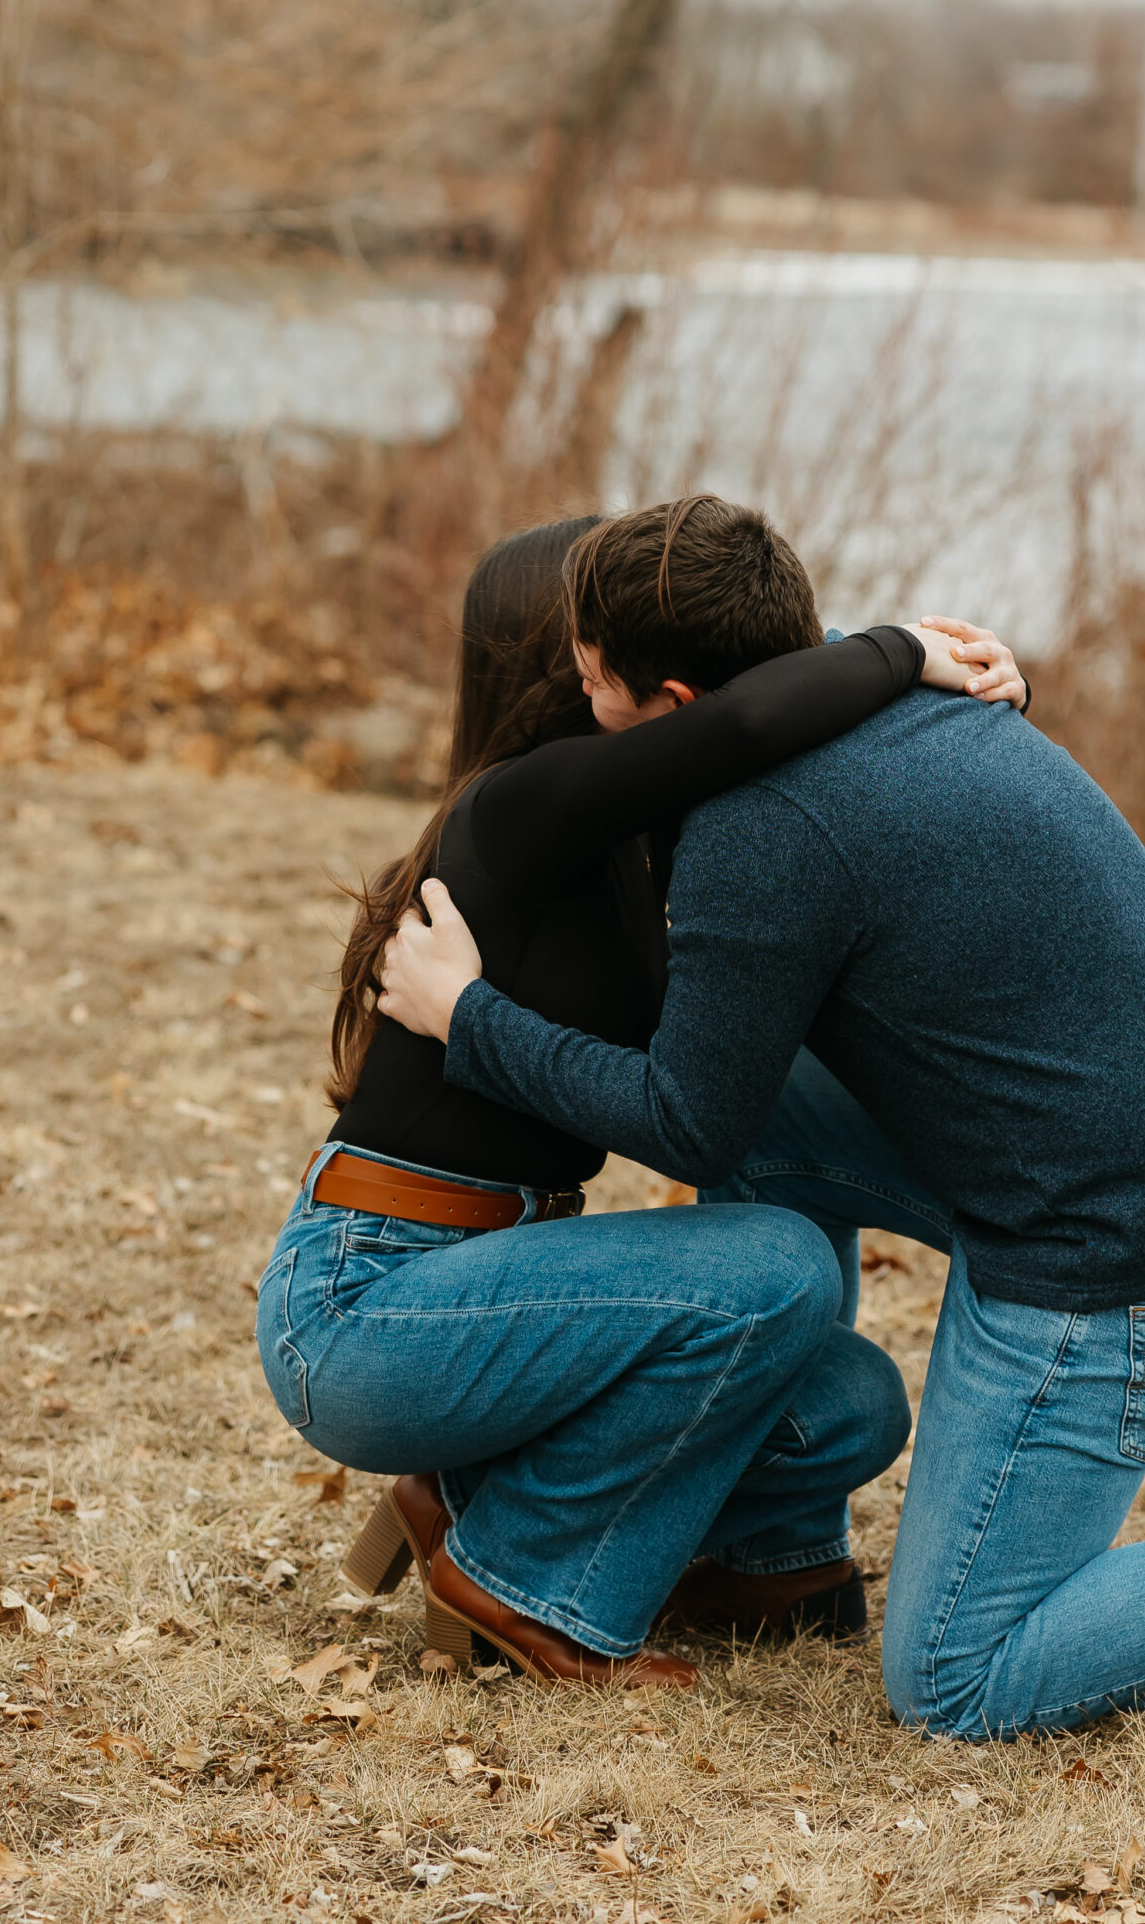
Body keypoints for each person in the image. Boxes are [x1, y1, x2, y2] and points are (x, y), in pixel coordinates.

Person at [379, 496, 1145, 1770]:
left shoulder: (762, 830)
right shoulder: (905, 702)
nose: (580, 701)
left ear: (679, 702)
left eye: (596, 682)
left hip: (1123, 1250)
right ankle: (776, 1549)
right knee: (764, 1116)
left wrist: (464, 1016)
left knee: (958, 1672)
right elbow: (734, 1099)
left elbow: (684, 1122)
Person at [254, 507, 1029, 1690]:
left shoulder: (637, 836)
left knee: (849, 1403)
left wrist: (987, 688)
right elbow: (760, 711)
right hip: (367, 1306)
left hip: (497, 1291)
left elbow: (772, 726)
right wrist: (906, 648)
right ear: (567, 659)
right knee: (777, 1267)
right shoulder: (518, 807)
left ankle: (491, 1497)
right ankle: (523, 1579)